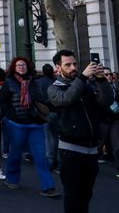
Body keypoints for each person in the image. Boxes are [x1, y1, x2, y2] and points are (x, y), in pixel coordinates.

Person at [48, 50, 113, 212]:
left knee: (86, 194)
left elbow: (107, 101)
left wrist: (101, 80)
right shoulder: (54, 87)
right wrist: (82, 78)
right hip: (70, 151)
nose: (73, 67)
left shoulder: (85, 85)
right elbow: (66, 99)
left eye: (75, 64)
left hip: (91, 150)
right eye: (67, 65)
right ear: (58, 68)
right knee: (73, 195)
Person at [0, 56, 59, 198]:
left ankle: (48, 186)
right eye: (19, 65)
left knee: (40, 156)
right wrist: (11, 115)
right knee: (15, 152)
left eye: (24, 65)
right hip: (16, 123)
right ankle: (12, 178)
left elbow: (41, 99)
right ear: (14, 67)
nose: (21, 67)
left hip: (35, 123)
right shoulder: (9, 82)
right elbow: (3, 102)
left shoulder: (34, 82)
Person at [36, 63, 59, 171]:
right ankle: (56, 158)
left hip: (44, 111)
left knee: (47, 136)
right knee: (55, 136)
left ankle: (50, 160)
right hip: (56, 111)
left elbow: (37, 96)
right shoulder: (56, 82)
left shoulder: (39, 82)